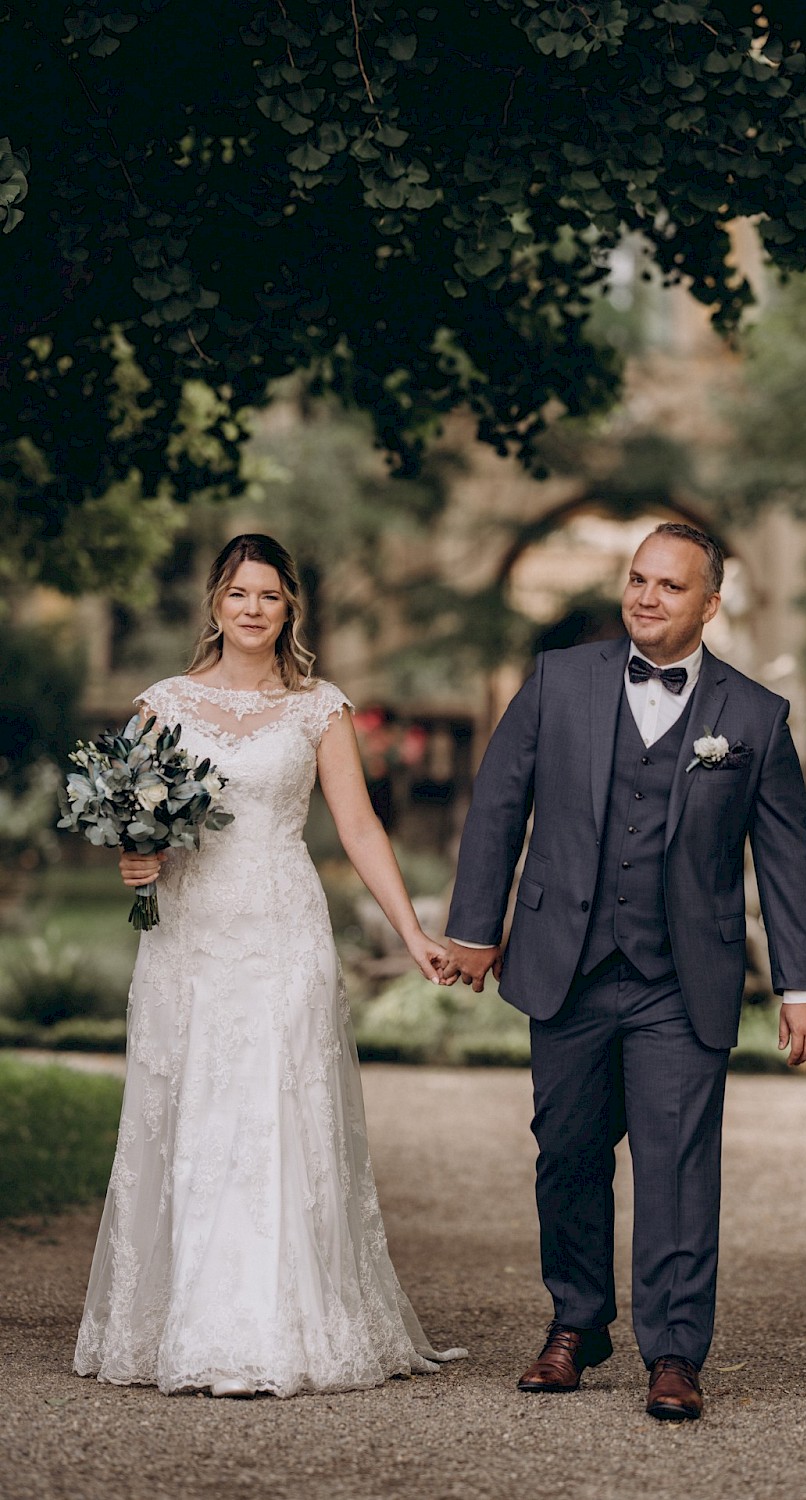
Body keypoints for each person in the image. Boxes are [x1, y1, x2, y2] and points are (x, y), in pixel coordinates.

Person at [441, 522, 806, 1422]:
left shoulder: (753, 717)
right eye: (637, 580)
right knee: (567, 1153)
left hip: (679, 977)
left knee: (678, 1167)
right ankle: (576, 1324)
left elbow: (787, 858)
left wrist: (802, 984)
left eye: (669, 586)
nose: (646, 597)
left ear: (710, 603)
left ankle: (675, 1352)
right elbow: (499, 803)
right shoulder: (558, 681)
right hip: (565, 967)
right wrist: (473, 926)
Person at [74, 533, 464, 1398]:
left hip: (284, 930)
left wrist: (411, 931)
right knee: (197, 1114)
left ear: (291, 609)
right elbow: (135, 826)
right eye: (239, 593)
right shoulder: (162, 704)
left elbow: (358, 827)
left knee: (279, 1116)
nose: (253, 609)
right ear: (215, 602)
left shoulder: (318, 707)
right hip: (190, 934)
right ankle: (188, 1325)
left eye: (271, 596)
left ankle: (276, 1328)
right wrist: (135, 859)